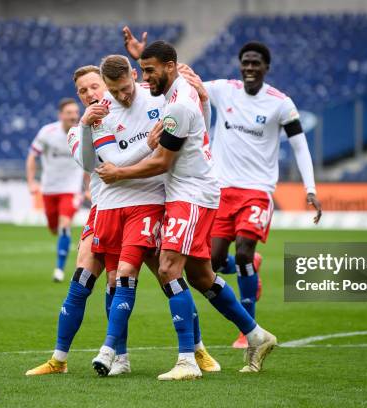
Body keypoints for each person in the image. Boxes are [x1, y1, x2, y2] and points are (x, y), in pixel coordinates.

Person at [123, 30, 321, 348]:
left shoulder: (281, 103)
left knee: (237, 252)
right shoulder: (222, 90)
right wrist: (142, 55)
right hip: (221, 186)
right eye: (245, 62)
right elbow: (176, 76)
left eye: (256, 63)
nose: (249, 68)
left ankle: (233, 337)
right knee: (209, 267)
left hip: (253, 190)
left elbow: (299, 145)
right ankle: (254, 329)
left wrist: (310, 187)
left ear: (266, 67)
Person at [96, 41, 277, 381]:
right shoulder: (181, 90)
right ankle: (256, 335)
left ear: (170, 66)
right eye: (143, 70)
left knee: (167, 268)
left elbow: (162, 161)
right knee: (200, 276)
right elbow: (201, 124)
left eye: (150, 71)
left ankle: (187, 361)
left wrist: (119, 173)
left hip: (190, 193)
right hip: (191, 190)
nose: (146, 78)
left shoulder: (177, 104)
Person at [88, 55, 220, 376]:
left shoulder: (157, 95)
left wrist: (201, 98)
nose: (122, 96)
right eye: (112, 90)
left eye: (125, 88)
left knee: (167, 273)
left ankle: (193, 352)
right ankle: (119, 356)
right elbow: (107, 161)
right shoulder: (100, 113)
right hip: (114, 205)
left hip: (156, 201)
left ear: (135, 76)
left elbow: (182, 113)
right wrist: (84, 125)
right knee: (120, 278)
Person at [26, 65, 120, 375]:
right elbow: (90, 164)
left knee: (173, 276)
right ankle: (59, 359)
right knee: (83, 280)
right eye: (83, 91)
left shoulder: (130, 111)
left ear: (107, 84)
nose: (91, 94)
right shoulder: (71, 130)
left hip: (142, 209)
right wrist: (83, 125)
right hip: (103, 209)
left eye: (95, 86)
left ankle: (193, 351)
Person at [26, 98, 87, 282]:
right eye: (69, 113)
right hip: (49, 189)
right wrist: (31, 182)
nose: (73, 116)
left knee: (64, 224)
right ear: (61, 115)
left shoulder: (83, 133)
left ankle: (59, 270)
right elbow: (32, 156)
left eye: (76, 112)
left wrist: (88, 187)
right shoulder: (47, 133)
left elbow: (88, 162)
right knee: (54, 228)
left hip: (71, 188)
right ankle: (62, 241)